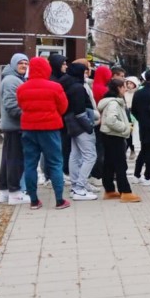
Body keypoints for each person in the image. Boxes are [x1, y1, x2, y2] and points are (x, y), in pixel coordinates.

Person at [16, 56, 70, 210]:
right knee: (55, 163)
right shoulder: (55, 87)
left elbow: (21, 105)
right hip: (50, 128)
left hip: (29, 129)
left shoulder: (22, 88)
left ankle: (33, 200)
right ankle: (59, 200)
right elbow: (63, 107)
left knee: (30, 164)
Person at [97, 79, 141, 203]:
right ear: (118, 88)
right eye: (123, 87)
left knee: (109, 164)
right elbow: (111, 120)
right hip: (114, 135)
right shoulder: (114, 103)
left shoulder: (109, 101)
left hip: (108, 135)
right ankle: (125, 191)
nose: (125, 89)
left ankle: (110, 190)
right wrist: (125, 127)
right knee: (120, 164)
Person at [62, 63, 98, 200]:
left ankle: (75, 186)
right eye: (84, 72)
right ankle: (79, 187)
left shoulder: (69, 85)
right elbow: (80, 111)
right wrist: (89, 126)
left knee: (75, 155)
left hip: (72, 124)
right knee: (90, 155)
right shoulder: (78, 88)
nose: (86, 74)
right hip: (81, 125)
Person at [0, 53, 30, 205]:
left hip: (14, 127)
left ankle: (4, 191)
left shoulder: (15, 79)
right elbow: (11, 106)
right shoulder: (12, 81)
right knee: (15, 161)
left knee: (8, 160)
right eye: (20, 63)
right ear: (13, 64)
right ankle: (15, 193)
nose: (24, 65)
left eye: (26, 63)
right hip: (15, 127)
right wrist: (30, 114)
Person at [131, 70, 150, 188]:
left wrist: (141, 119)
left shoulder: (138, 93)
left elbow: (133, 110)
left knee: (144, 149)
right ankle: (148, 176)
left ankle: (137, 174)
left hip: (143, 126)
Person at [47, 54, 70, 176]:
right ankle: (52, 174)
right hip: (55, 120)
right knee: (55, 149)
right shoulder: (53, 81)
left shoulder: (62, 78)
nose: (66, 66)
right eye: (63, 64)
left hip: (61, 120)